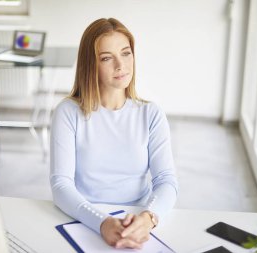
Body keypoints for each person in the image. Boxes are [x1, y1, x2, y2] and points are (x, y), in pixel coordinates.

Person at [50, 17, 178, 249]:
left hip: (138, 218)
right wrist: (102, 223)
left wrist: (149, 218)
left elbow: (166, 180)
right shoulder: (68, 112)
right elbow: (61, 185)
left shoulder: (151, 113)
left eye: (126, 53)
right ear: (90, 64)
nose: (121, 65)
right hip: (84, 218)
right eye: (107, 58)